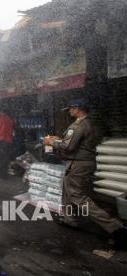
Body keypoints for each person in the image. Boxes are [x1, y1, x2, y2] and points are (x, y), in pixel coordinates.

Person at [43, 98, 127, 249]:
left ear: (78, 108)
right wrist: (60, 139)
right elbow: (79, 142)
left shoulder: (79, 125)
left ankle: (116, 228)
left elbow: (68, 147)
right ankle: (69, 219)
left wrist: (51, 142)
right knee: (67, 191)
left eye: (71, 108)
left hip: (78, 164)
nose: (69, 111)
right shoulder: (92, 124)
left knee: (77, 196)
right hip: (84, 162)